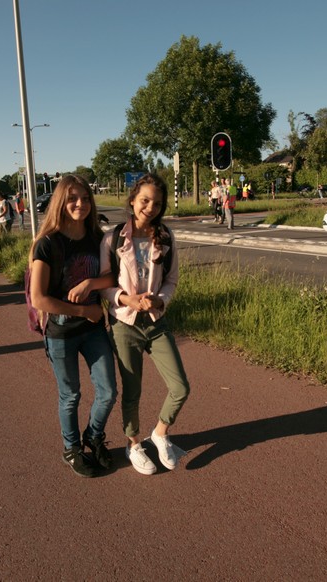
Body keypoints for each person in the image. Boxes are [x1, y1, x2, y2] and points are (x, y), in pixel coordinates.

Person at [99, 173, 190, 475]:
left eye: (157, 203)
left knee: (180, 387)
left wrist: (160, 301)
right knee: (132, 390)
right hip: (124, 324)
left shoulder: (165, 236)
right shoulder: (112, 239)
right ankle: (134, 444)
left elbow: (172, 280)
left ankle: (160, 433)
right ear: (133, 200)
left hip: (155, 322)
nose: (150, 208)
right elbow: (104, 285)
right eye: (145, 200)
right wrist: (126, 299)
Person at [28, 174, 117, 478]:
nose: (81, 204)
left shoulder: (98, 238)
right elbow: (39, 298)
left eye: (85, 198)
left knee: (108, 391)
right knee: (70, 396)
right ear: (60, 202)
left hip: (92, 330)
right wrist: (83, 310)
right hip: (62, 333)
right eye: (73, 198)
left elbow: (114, 277)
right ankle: (71, 448)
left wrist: (91, 283)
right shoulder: (47, 244)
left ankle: (93, 435)